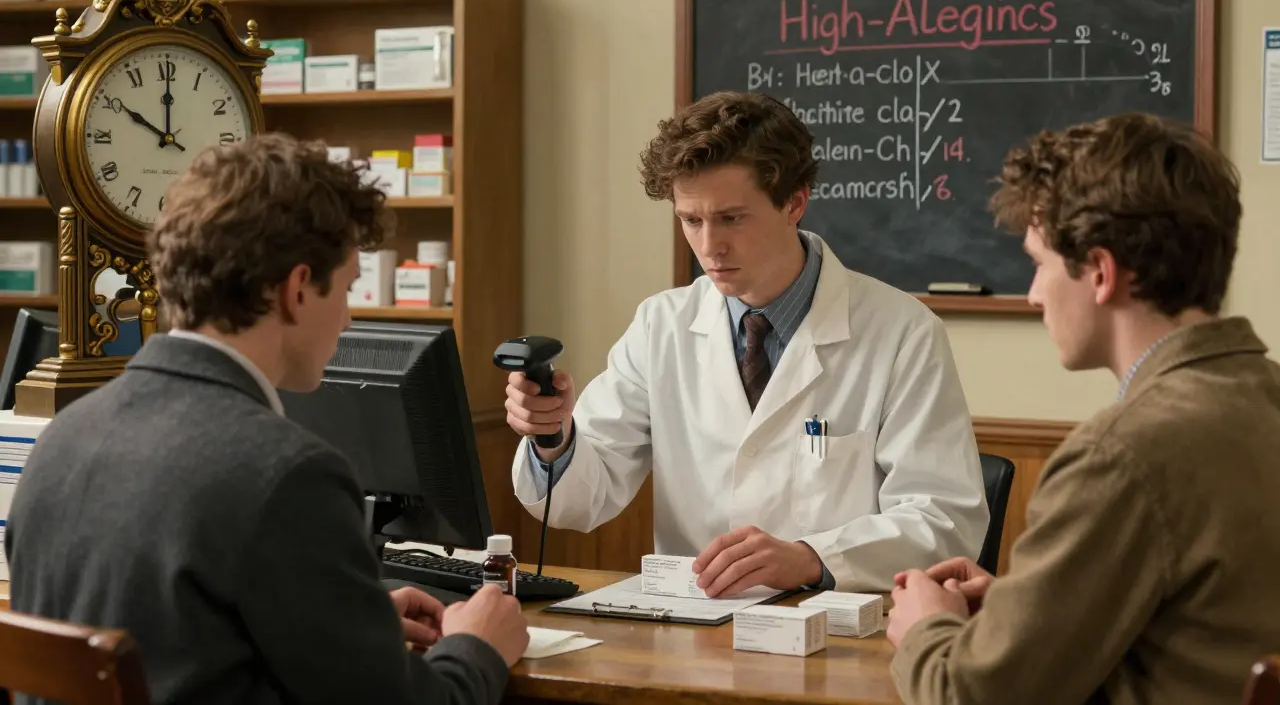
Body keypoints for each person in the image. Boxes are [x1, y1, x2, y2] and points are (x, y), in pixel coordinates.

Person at [4, 133, 529, 705]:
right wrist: (477, 647)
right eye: (347, 288)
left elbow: (175, 632)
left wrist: (348, 618)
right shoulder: (288, 476)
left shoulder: (62, 439)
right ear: (297, 290)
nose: (348, 320)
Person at [504, 90, 988, 596]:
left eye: (731, 218)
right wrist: (553, 437)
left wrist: (812, 558)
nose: (709, 246)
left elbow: (943, 520)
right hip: (693, 620)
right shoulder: (660, 325)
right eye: (691, 220)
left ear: (794, 203)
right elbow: (582, 499)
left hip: (835, 623)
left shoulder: (903, 332)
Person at [886, 112, 1280, 703]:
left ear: (1100, 273)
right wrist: (1029, 608)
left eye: (1039, 265)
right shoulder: (1262, 395)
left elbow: (968, 694)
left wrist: (925, 628)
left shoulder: (1120, 456)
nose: (1034, 295)